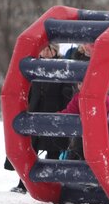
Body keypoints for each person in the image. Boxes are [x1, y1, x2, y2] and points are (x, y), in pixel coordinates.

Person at [9, 43, 71, 194]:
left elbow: (67, 93)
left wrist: (64, 110)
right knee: (30, 149)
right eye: (42, 49)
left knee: (53, 151)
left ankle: (52, 184)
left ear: (55, 51)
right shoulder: (34, 65)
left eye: (48, 49)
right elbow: (28, 90)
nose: (45, 52)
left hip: (54, 114)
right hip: (34, 112)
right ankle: (24, 183)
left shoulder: (63, 66)